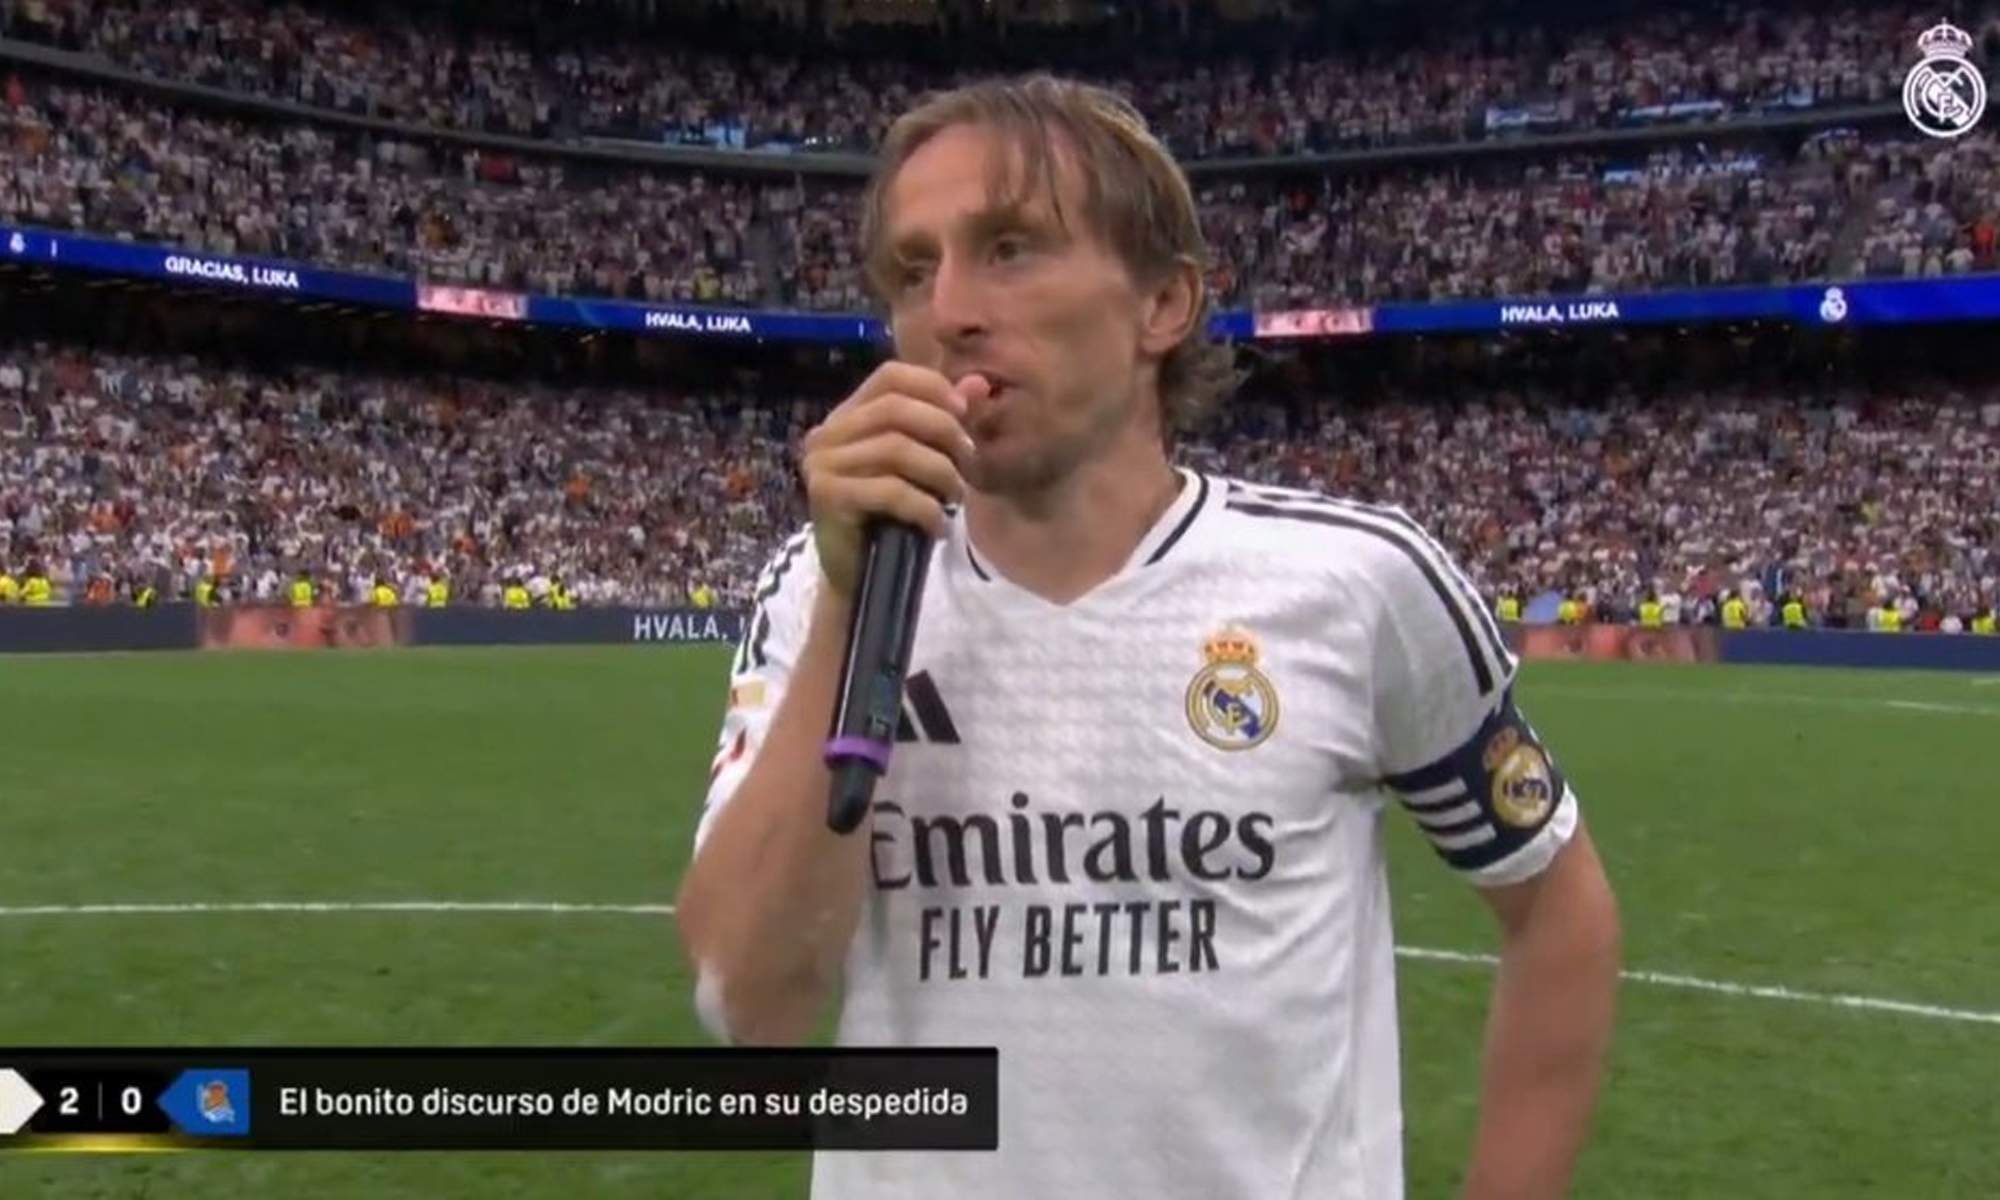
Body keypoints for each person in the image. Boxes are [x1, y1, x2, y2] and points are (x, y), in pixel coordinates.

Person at [674, 75, 1618, 1200]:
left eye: (1010, 248)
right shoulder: (815, 590)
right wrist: (846, 600)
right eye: (914, 271)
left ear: (1161, 307)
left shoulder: (1351, 582)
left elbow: (1554, 907)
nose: (950, 311)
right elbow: (751, 1010)